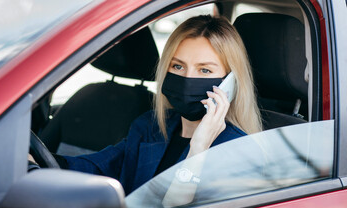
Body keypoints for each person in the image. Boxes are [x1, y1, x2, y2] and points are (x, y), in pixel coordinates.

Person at [42, 15, 262, 196]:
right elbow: (100, 167)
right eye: (178, 66)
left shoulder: (238, 150)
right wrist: (39, 162)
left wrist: (198, 149)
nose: (187, 78)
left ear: (230, 83)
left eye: (205, 70)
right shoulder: (151, 126)